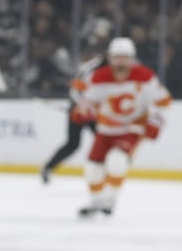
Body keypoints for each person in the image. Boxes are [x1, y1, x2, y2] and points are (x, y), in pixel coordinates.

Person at [72, 37, 172, 218]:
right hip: (105, 129)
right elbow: (88, 102)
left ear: (132, 58)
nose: (121, 62)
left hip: (132, 129)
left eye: (125, 57)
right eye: (117, 57)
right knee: (93, 168)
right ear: (110, 58)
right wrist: (82, 111)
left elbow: (164, 102)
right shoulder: (99, 77)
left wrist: (155, 123)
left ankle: (109, 200)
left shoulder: (145, 76)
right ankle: (96, 201)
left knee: (117, 160)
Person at [41, 53, 101, 184]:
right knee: (73, 143)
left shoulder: (118, 70)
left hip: (95, 113)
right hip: (79, 111)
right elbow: (75, 90)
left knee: (104, 141)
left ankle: (103, 173)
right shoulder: (92, 68)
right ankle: (48, 167)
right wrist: (83, 106)